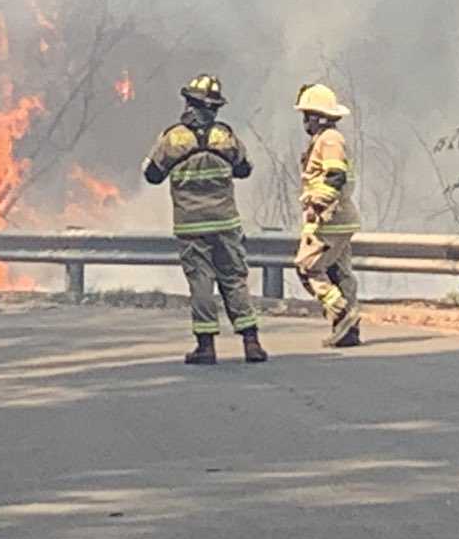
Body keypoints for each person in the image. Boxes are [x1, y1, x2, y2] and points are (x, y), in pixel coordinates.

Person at [142, 73, 267, 366]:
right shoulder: (225, 136)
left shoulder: (174, 138)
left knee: (201, 283)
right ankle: (251, 343)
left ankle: (206, 346)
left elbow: (152, 175)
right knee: (234, 279)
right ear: (214, 108)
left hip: (191, 226)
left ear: (188, 103)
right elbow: (245, 169)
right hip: (225, 222)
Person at [293, 82, 361, 348]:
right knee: (339, 271)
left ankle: (342, 311)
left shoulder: (329, 139)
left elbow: (335, 176)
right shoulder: (325, 139)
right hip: (341, 218)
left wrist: (317, 206)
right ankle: (348, 332)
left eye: (307, 115)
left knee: (307, 267)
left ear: (317, 116)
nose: (305, 121)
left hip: (329, 219)